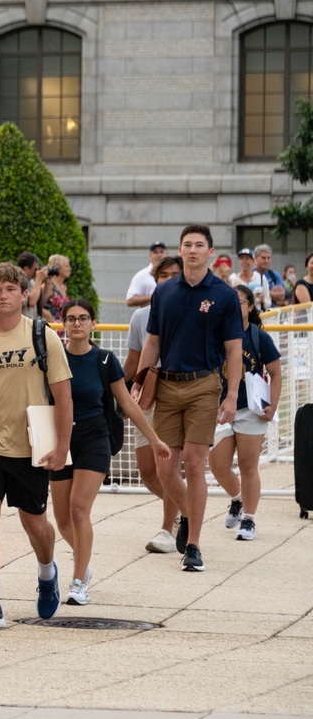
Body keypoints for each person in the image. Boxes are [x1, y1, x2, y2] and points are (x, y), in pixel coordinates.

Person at [0, 262, 73, 629]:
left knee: (34, 521)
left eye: (10, 289)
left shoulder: (43, 335)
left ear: (25, 295)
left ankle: (46, 570)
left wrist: (61, 447)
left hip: (30, 444)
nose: (2, 295)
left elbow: (64, 398)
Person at [133, 223, 243, 573]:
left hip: (204, 386)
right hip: (166, 385)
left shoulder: (224, 295)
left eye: (199, 245)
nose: (192, 250)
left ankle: (193, 544)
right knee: (166, 469)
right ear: (179, 251)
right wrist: (139, 383)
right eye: (187, 245)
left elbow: (234, 350)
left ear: (211, 252)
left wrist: (232, 396)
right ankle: (186, 516)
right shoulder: (163, 293)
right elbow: (152, 343)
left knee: (195, 464)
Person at [52, 299, 171, 604]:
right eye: (71, 319)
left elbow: (128, 404)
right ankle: (84, 560)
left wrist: (155, 440)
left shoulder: (105, 360)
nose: (77, 324)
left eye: (83, 318)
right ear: (63, 324)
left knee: (79, 509)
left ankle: (78, 580)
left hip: (94, 436)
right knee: (62, 518)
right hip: (59, 438)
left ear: (93, 324)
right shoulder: (54, 359)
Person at [208, 286, 282, 542]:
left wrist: (272, 404)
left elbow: (275, 373)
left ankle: (249, 519)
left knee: (248, 465)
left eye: (239, 302)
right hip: (219, 409)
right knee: (218, 466)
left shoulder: (258, 337)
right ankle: (237, 500)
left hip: (251, 408)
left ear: (250, 307)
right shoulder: (215, 334)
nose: (234, 307)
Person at [122, 255, 184, 553]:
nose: (170, 279)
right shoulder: (141, 316)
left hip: (176, 394)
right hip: (146, 393)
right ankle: (188, 510)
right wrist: (118, 390)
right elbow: (133, 362)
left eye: (176, 274)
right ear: (155, 280)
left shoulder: (191, 311)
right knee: (147, 471)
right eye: (164, 275)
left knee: (166, 470)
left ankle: (168, 528)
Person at [125, 241, 167, 308]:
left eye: (161, 252)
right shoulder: (141, 276)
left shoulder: (175, 274)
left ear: (167, 254)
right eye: (155, 252)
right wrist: (152, 297)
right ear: (150, 256)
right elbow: (130, 300)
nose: (159, 255)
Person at [17, 251, 48, 321]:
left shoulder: (31, 282)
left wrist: (48, 281)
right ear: (26, 269)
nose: (36, 272)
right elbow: (31, 302)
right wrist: (39, 279)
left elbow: (42, 301)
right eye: (35, 269)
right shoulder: (17, 283)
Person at [42, 254, 71, 322]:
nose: (69, 269)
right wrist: (47, 314)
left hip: (62, 327)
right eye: (66, 266)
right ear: (57, 268)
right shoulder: (48, 286)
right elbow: (37, 306)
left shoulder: (64, 287)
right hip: (51, 327)